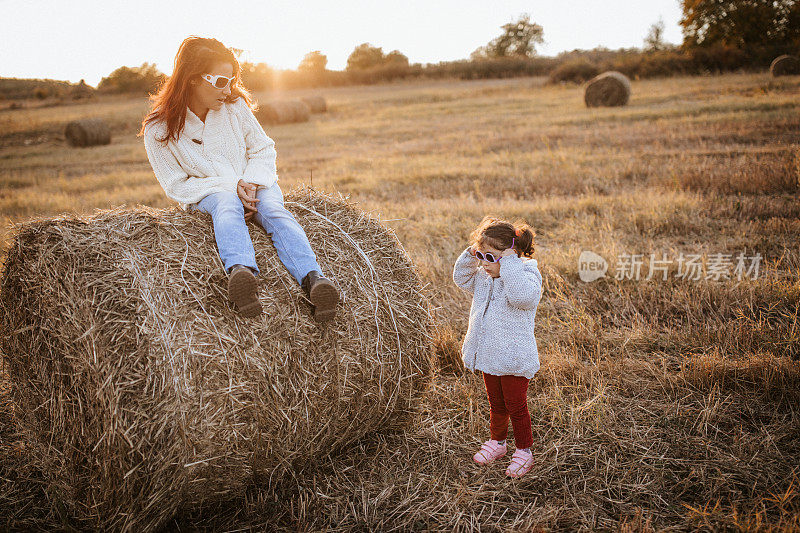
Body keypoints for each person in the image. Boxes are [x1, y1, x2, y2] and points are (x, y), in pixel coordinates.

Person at [139, 36, 338, 321]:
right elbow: (176, 184)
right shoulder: (159, 129)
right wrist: (232, 188)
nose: (228, 89)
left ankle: (313, 279)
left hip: (254, 181)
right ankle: (241, 275)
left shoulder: (234, 108)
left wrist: (251, 182)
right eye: (221, 81)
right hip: (209, 192)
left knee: (274, 211)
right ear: (193, 79)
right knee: (225, 204)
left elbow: (263, 148)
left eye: (232, 80)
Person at [452, 216, 542, 478]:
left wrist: (509, 266)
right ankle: (498, 443)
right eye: (481, 255)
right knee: (497, 404)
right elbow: (460, 278)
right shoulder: (483, 277)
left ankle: (524, 451)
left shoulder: (526, 275)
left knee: (516, 406)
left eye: (490, 257)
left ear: (511, 256)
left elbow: (522, 298)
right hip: (490, 355)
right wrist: (472, 254)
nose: (483, 263)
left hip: (514, 357)